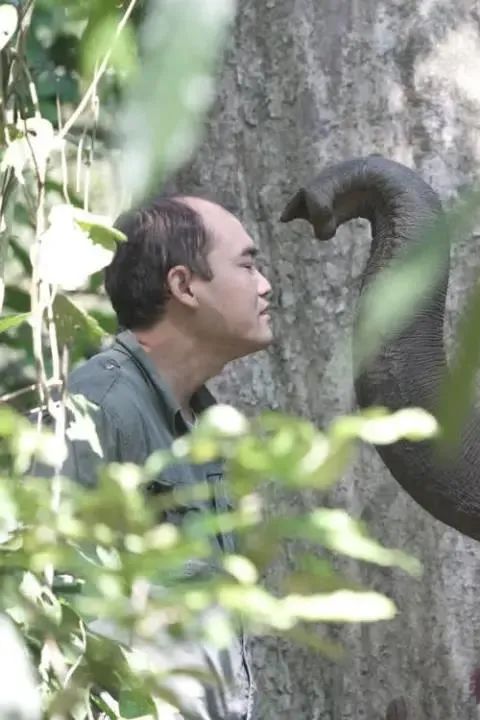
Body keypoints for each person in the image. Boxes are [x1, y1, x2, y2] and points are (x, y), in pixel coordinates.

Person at [51, 195, 273, 719]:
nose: (264, 285)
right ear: (183, 285)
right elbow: (59, 623)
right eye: (246, 264)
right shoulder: (100, 408)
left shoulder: (203, 419)